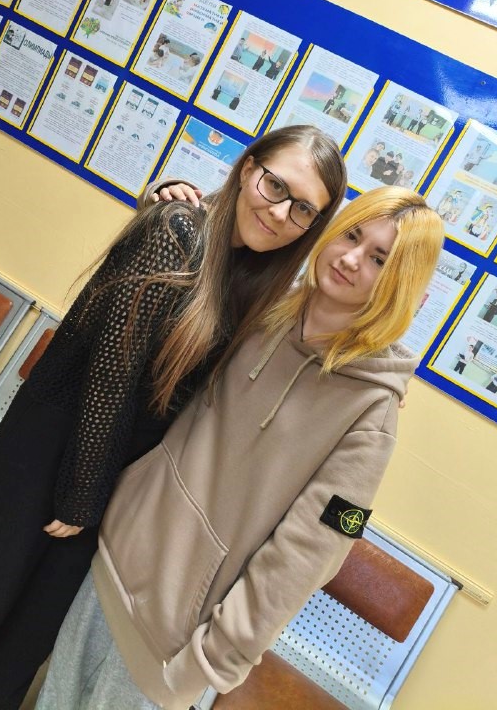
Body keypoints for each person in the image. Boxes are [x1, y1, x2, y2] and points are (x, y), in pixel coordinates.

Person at [0, 126, 346, 710]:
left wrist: (368, 370)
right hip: (53, 454)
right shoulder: (176, 230)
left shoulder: (253, 281)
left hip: (114, 484)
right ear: (248, 167)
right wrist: (81, 495)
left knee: (24, 645)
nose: (280, 213)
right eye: (275, 185)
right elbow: (111, 373)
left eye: (303, 209)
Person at [37, 187, 444, 710]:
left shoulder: (373, 412)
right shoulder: (263, 308)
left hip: (175, 639)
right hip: (114, 559)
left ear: (403, 283)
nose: (350, 259)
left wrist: (213, 661)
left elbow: (312, 552)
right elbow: (215, 247)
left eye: (379, 259)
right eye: (351, 235)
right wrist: (174, 194)